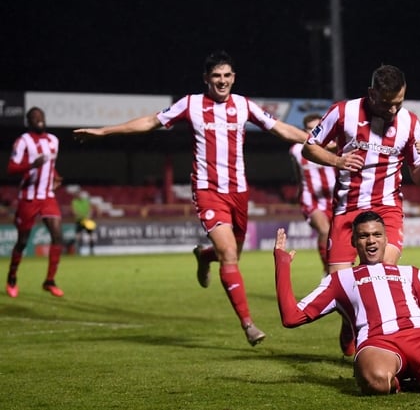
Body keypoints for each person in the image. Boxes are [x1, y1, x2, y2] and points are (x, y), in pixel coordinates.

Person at [73, 50, 307, 346]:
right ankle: (248, 324)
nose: (222, 81)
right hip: (208, 191)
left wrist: (315, 139)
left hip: (239, 192)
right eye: (216, 76)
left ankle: (204, 254)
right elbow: (149, 122)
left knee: (232, 253)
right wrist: (105, 131)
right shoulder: (191, 104)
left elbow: (281, 129)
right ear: (206, 79)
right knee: (230, 255)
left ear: (233, 78)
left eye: (227, 76)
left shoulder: (244, 106)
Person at [273, 210, 420, 395]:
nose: (371, 240)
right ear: (353, 241)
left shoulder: (410, 273)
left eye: (377, 235)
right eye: (364, 236)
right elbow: (292, 317)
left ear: (386, 239)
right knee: (376, 383)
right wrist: (282, 265)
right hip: (379, 343)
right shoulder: (340, 279)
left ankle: (417, 378)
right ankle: (394, 379)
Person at [301, 64, 420, 354]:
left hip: (386, 207)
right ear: (372, 94)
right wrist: (337, 161)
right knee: (341, 286)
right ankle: (350, 324)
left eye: (399, 102)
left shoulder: (410, 123)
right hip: (347, 210)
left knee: (381, 273)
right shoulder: (343, 112)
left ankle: (373, 344)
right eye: (387, 104)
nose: (393, 111)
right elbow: (308, 147)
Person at [6, 107, 66, 298]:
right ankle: (12, 277)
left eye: (41, 116)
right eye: (34, 117)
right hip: (29, 196)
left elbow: (51, 166)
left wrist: (55, 177)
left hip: (47, 196)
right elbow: (11, 168)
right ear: (29, 122)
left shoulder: (53, 140)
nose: (39, 119)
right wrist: (32, 164)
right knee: (22, 242)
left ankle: (49, 281)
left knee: (57, 236)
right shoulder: (23, 141)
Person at [288, 113, 336, 271]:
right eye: (309, 129)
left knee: (339, 236)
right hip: (311, 199)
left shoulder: (333, 146)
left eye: (316, 128)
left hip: (335, 199)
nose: (312, 132)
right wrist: (298, 190)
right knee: (324, 229)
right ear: (304, 130)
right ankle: (327, 270)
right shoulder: (296, 150)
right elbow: (296, 171)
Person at [71, 190, 97, 256]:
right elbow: (74, 211)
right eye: (77, 195)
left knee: (91, 235)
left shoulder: (86, 201)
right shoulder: (74, 202)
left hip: (87, 220)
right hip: (79, 220)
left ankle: (91, 250)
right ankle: (78, 250)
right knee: (78, 236)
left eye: (79, 194)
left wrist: (88, 215)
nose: (78, 196)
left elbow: (90, 209)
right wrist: (83, 216)